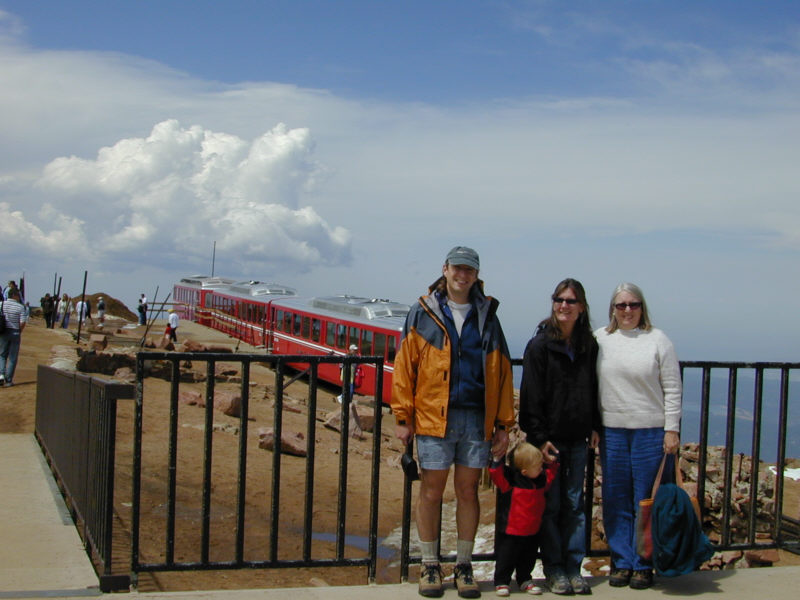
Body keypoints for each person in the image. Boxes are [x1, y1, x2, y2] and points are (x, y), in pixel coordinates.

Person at [392, 246, 515, 599]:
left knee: (467, 492)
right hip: (432, 419)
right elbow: (405, 368)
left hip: (477, 420)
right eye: (457, 269)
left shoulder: (488, 315)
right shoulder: (422, 312)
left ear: (476, 275)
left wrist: (503, 424)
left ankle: (463, 565)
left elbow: (502, 370)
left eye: (469, 271)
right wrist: (403, 416)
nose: (463, 276)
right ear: (445, 269)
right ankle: (429, 565)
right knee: (431, 491)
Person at [595, 282, 682, 590]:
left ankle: (644, 562)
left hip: (650, 431)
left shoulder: (658, 340)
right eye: (622, 305)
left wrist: (672, 429)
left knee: (646, 500)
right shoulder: (601, 339)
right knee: (616, 498)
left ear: (642, 307)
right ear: (613, 310)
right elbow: (590, 386)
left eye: (633, 305)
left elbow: (672, 386)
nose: (628, 310)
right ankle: (621, 561)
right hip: (612, 430)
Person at [518, 279, 599, 595]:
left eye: (570, 300)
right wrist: (538, 437)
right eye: (559, 299)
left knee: (574, 505)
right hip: (548, 441)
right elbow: (530, 394)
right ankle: (554, 569)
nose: (564, 305)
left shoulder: (588, 346)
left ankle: (573, 567)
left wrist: (595, 425)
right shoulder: (540, 346)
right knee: (551, 507)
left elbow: (594, 388)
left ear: (581, 307)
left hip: (578, 438)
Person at [490, 442, 558, 597]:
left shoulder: (540, 480)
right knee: (506, 557)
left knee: (528, 558)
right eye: (538, 466)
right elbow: (496, 475)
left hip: (532, 529)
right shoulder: (511, 482)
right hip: (512, 530)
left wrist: (552, 463)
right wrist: (496, 461)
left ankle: (525, 579)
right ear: (525, 471)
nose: (541, 468)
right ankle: (502, 581)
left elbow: (550, 476)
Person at [1, 289, 27, 387]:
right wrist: (19, 331)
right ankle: (8, 380)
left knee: (2, 355)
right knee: (12, 357)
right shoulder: (20, 307)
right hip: (15, 332)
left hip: (3, 332)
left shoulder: (1, 304)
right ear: (15, 295)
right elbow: (23, 322)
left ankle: (1, 375)